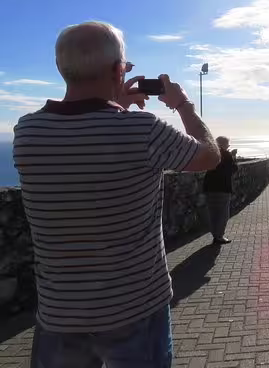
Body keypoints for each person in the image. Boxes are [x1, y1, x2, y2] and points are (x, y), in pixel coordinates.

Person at [13, 21, 220, 368]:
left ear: (62, 69)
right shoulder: (143, 132)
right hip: (135, 309)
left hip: (59, 316)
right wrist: (183, 104)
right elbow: (209, 156)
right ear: (118, 70)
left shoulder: (28, 131)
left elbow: (87, 141)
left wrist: (114, 102)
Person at [203, 136, 238, 244]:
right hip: (222, 188)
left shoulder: (210, 153)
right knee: (223, 214)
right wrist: (233, 156)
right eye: (228, 144)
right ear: (224, 144)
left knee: (213, 213)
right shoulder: (226, 154)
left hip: (209, 187)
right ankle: (219, 236)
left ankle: (215, 235)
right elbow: (233, 169)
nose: (228, 146)